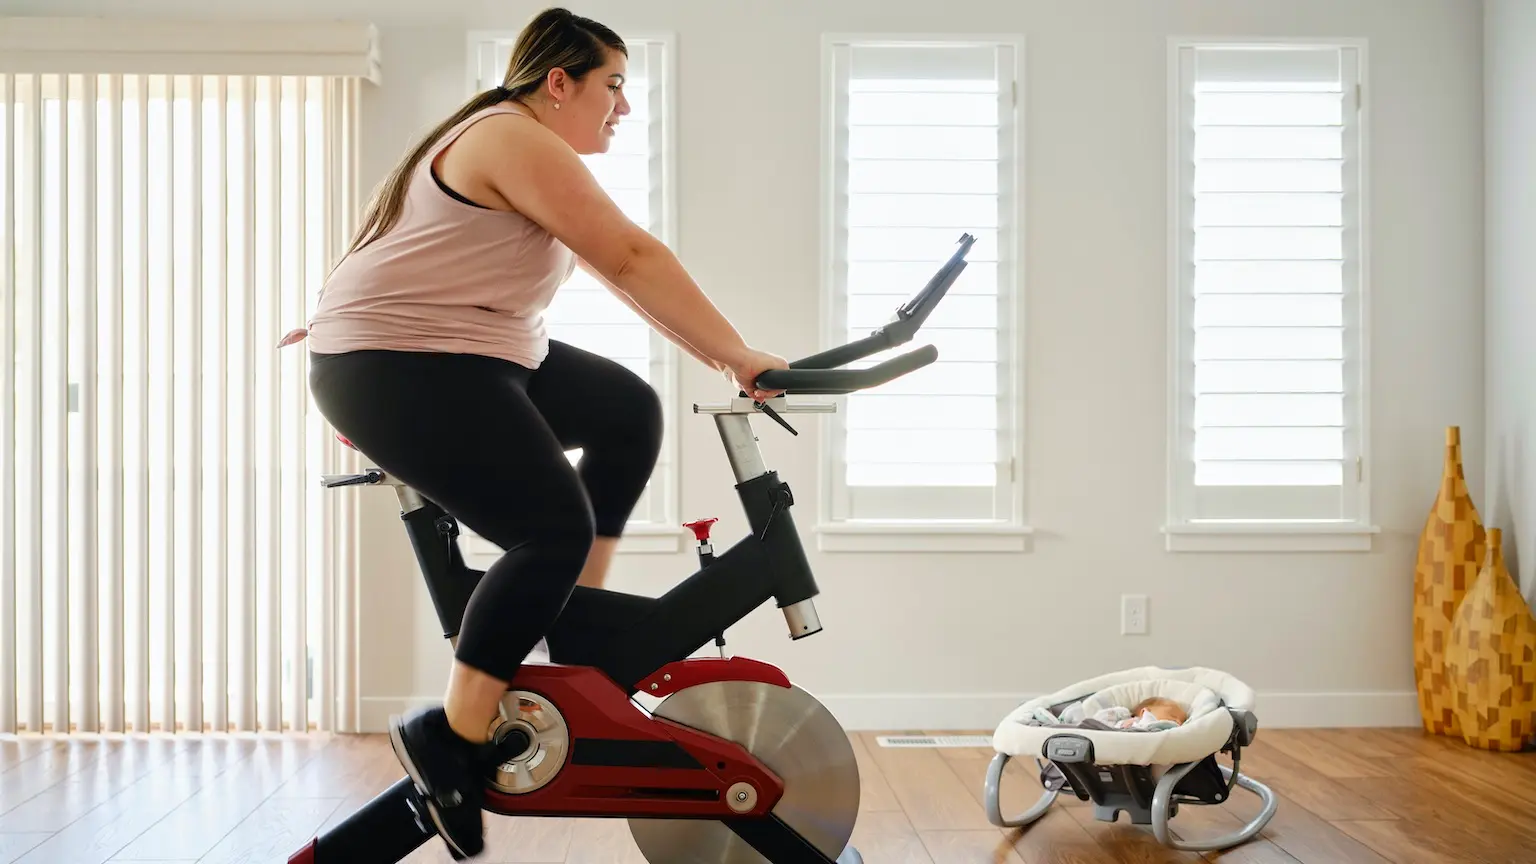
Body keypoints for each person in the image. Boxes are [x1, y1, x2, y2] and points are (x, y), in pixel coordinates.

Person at [298, 7, 788, 858]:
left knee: (626, 411)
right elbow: (629, 260)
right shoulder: (512, 137)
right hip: (402, 366)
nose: (623, 108)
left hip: (468, 352)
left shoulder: (510, 140)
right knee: (548, 527)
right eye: (613, 85)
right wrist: (736, 355)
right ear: (558, 82)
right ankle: (451, 739)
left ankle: (576, 626)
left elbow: (426, 254)